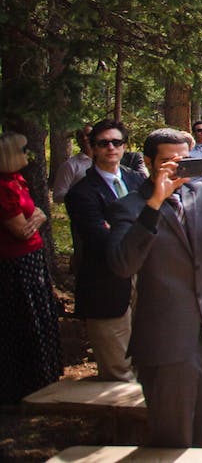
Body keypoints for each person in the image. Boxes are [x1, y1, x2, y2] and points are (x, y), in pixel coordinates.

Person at [107, 128, 202, 447]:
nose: (177, 168)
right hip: (164, 339)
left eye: (183, 160)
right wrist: (155, 203)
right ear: (148, 162)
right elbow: (122, 264)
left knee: (200, 424)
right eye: (168, 162)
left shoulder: (199, 193)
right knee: (172, 436)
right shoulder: (130, 207)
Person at [65, 118, 144, 381]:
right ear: (93, 148)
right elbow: (101, 240)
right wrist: (139, 229)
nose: (111, 147)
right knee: (118, 372)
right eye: (103, 143)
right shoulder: (81, 193)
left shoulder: (137, 181)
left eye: (116, 142)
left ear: (124, 146)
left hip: (143, 281)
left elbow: (158, 222)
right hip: (105, 287)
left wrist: (122, 228)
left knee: (145, 362)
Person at [0, 132, 63, 405]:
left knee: (41, 314)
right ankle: (23, 383)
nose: (29, 155)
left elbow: (37, 214)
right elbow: (22, 230)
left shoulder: (17, 181)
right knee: (24, 319)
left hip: (32, 258)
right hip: (16, 264)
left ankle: (44, 377)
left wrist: (36, 215)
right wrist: (37, 216)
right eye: (24, 150)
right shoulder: (3, 187)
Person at [52, 123, 93, 204]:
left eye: (88, 135)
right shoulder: (70, 165)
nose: (84, 138)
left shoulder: (106, 161)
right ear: (77, 140)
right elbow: (57, 196)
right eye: (80, 136)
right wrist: (80, 196)